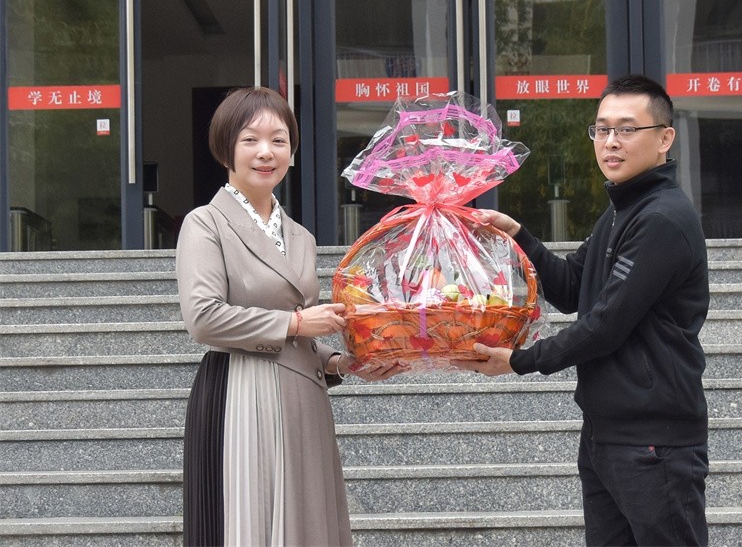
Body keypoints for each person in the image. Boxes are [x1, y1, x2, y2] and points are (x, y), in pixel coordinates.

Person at [456, 74, 710, 546]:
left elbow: (605, 326)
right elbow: (574, 288)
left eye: (627, 129)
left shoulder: (662, 218)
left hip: (652, 440)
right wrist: (518, 236)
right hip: (606, 433)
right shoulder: (622, 210)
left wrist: (520, 361)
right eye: (602, 129)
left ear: (664, 138)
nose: (611, 142)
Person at [176, 86, 407, 546]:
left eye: (278, 140)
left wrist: (344, 363)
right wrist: (296, 324)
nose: (266, 152)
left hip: (304, 396)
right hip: (243, 391)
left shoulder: (300, 236)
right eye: (250, 139)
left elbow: (302, 333)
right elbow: (203, 317)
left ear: (292, 151)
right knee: (251, 522)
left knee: (306, 524)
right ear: (226, 147)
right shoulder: (205, 223)